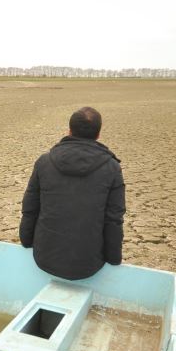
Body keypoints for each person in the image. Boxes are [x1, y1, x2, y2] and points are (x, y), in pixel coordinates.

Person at [20, 106, 125, 280]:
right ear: (98, 134)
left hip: (44, 256)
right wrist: (114, 259)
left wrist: (26, 241)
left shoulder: (44, 162)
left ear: (69, 131)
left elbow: (30, 207)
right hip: (89, 264)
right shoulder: (112, 168)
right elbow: (114, 218)